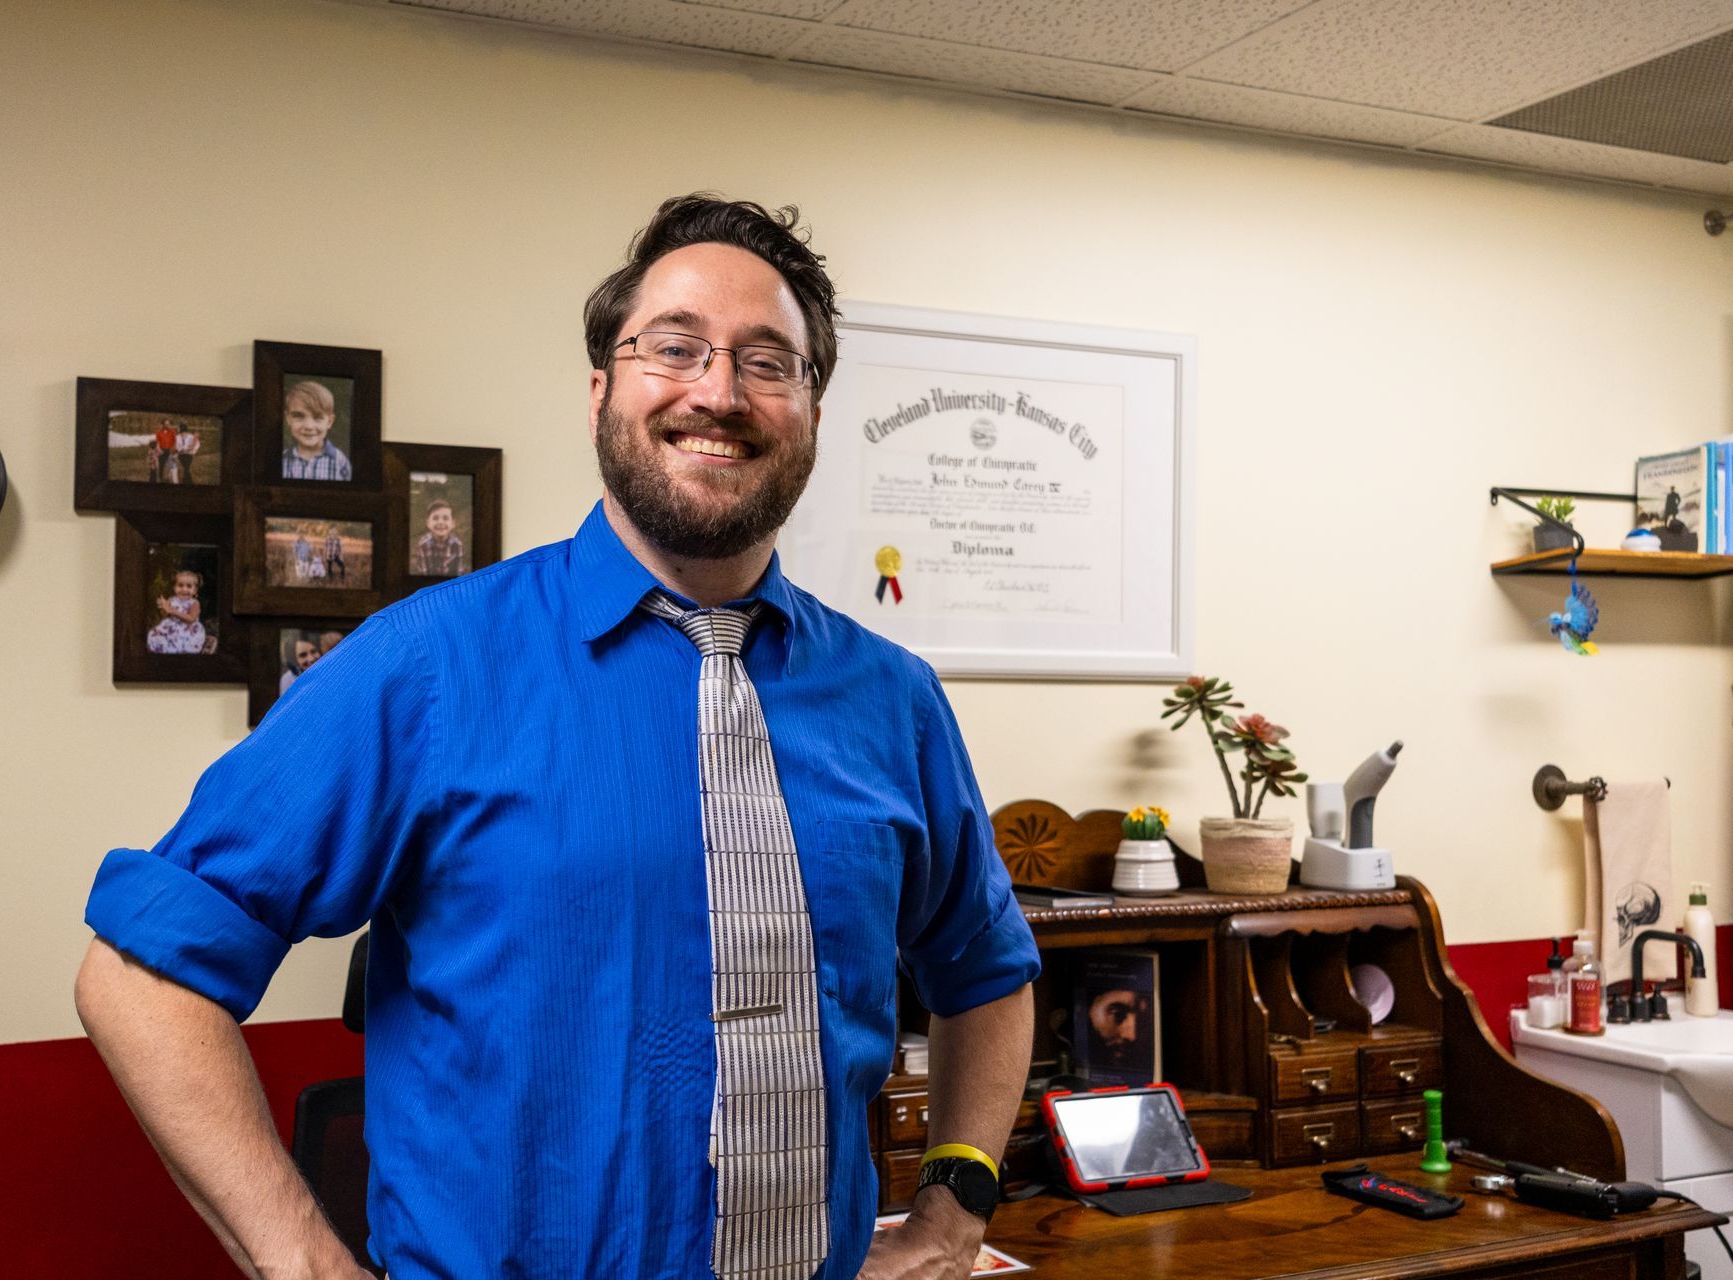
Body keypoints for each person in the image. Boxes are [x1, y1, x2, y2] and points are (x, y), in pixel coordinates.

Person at [75, 194, 1039, 1280]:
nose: (718, 391)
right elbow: (141, 975)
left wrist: (956, 1207)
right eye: (675, 347)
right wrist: (306, 1262)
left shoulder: (894, 698)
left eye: (770, 361)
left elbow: (986, 969)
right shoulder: (430, 664)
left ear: (810, 407)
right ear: (602, 391)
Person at [281, 380, 352, 481]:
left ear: (329, 422)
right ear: (288, 419)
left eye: (318, 417)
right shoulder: (281, 460)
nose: (309, 426)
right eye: (299, 416)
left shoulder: (341, 463)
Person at [145, 569, 205, 654]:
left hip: (187, 630)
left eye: (189, 586)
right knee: (157, 635)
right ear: (174, 588)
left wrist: (173, 611)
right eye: (180, 585)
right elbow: (164, 615)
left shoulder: (194, 603)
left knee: (178, 640)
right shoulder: (172, 599)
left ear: (195, 590)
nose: (184, 589)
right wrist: (164, 608)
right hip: (171, 627)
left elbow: (191, 619)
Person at [410, 499, 465, 575]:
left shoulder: (457, 545)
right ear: (428, 523)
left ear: (453, 524)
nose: (440, 522)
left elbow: (459, 573)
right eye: (435, 518)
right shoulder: (423, 545)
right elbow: (423, 574)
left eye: (445, 518)